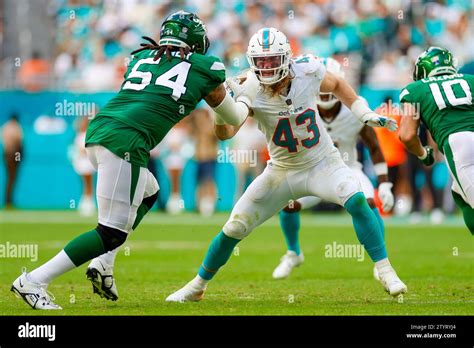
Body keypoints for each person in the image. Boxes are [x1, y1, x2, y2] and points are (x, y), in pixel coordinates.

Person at [11, 10, 258, 310]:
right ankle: (34, 281)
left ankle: (104, 263)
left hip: (101, 131)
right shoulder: (207, 66)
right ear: (196, 41)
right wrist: (245, 96)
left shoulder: (141, 59)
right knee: (110, 231)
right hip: (125, 142)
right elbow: (232, 120)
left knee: (150, 190)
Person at [166, 28, 407, 303]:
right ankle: (197, 285)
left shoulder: (308, 70)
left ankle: (385, 269)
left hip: (322, 162)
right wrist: (221, 107)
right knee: (235, 226)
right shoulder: (250, 86)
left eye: (271, 60)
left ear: (286, 58)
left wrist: (363, 112)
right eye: (261, 61)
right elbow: (226, 134)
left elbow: (338, 85)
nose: (266, 67)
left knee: (355, 198)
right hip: (281, 170)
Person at [272, 58, 394, 280]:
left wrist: (384, 183)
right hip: (312, 171)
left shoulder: (353, 107)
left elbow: (374, 146)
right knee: (288, 204)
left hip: (347, 169)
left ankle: (381, 261)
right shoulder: (302, 106)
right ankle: (293, 252)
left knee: (368, 202)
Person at [399, 46, 474, 234]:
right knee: (461, 195)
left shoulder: (415, 89)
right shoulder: (470, 80)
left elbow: (407, 135)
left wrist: (424, 154)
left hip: (459, 143)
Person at [71, 116, 96, 217]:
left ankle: (88, 206)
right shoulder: (79, 136)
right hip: (81, 163)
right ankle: (86, 205)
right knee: (85, 184)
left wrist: (85, 151)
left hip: (88, 163)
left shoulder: (89, 135)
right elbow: (78, 149)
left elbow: (89, 149)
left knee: (89, 184)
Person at [2, 113, 23, 209]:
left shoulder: (5, 126)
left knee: (9, 178)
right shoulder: (16, 127)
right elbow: (19, 142)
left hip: (6, 154)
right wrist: (19, 158)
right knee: (12, 178)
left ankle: (8, 201)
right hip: (14, 154)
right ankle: (8, 201)